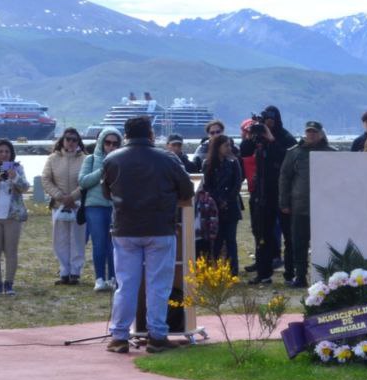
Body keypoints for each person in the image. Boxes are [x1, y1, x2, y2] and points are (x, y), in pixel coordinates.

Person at [102, 116, 194, 353]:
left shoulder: (112, 159)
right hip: (160, 227)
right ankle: (157, 335)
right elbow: (187, 189)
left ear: (126, 135)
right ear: (151, 134)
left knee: (126, 284)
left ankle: (119, 336)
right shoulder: (168, 158)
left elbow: (106, 193)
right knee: (158, 285)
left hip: (124, 228)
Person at [240, 105, 297, 285]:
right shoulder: (257, 136)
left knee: (289, 235)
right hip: (263, 192)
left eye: (272, 120)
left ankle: (290, 274)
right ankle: (263, 273)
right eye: (266, 120)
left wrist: (271, 139)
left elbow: (288, 158)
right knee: (262, 234)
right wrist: (250, 136)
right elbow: (245, 152)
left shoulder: (285, 137)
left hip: (283, 193)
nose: (269, 123)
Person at [279, 121, 336, 287]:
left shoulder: (331, 153)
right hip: (300, 206)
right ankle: (301, 277)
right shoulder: (294, 153)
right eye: (308, 131)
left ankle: (325, 278)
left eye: (314, 132)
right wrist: (284, 202)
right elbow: (284, 178)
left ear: (321, 134)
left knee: (325, 244)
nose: (311, 134)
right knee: (299, 243)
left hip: (325, 208)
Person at [0, 139, 30, 296]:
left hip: (12, 216)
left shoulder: (17, 168)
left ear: (11, 154)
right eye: (0, 151)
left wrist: (14, 176)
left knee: (11, 251)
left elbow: (25, 187)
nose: (3, 154)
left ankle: (9, 284)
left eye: (7, 152)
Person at [43, 128, 87, 285]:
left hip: (78, 205)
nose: (71, 142)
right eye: (68, 138)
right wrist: (61, 197)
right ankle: (64, 271)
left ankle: (75, 272)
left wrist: (73, 197)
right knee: (60, 239)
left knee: (77, 239)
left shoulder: (85, 159)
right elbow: (46, 180)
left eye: (74, 139)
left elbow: (86, 182)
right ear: (62, 140)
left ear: (78, 142)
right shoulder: (52, 158)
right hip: (58, 205)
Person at [79, 128, 121, 291]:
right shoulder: (90, 159)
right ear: (101, 142)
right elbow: (83, 181)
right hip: (94, 206)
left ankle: (113, 277)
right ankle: (99, 278)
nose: (111, 146)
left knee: (114, 244)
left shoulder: (122, 160)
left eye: (115, 143)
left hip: (114, 206)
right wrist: (102, 170)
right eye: (108, 142)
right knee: (99, 243)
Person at [198, 133, 244, 274]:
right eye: (226, 145)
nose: (228, 148)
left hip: (231, 206)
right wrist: (218, 200)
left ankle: (233, 271)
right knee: (216, 241)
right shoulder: (208, 163)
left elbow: (237, 183)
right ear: (218, 147)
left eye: (229, 145)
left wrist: (227, 199)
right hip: (214, 208)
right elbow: (207, 186)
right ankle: (216, 271)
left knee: (231, 240)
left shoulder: (233, 162)